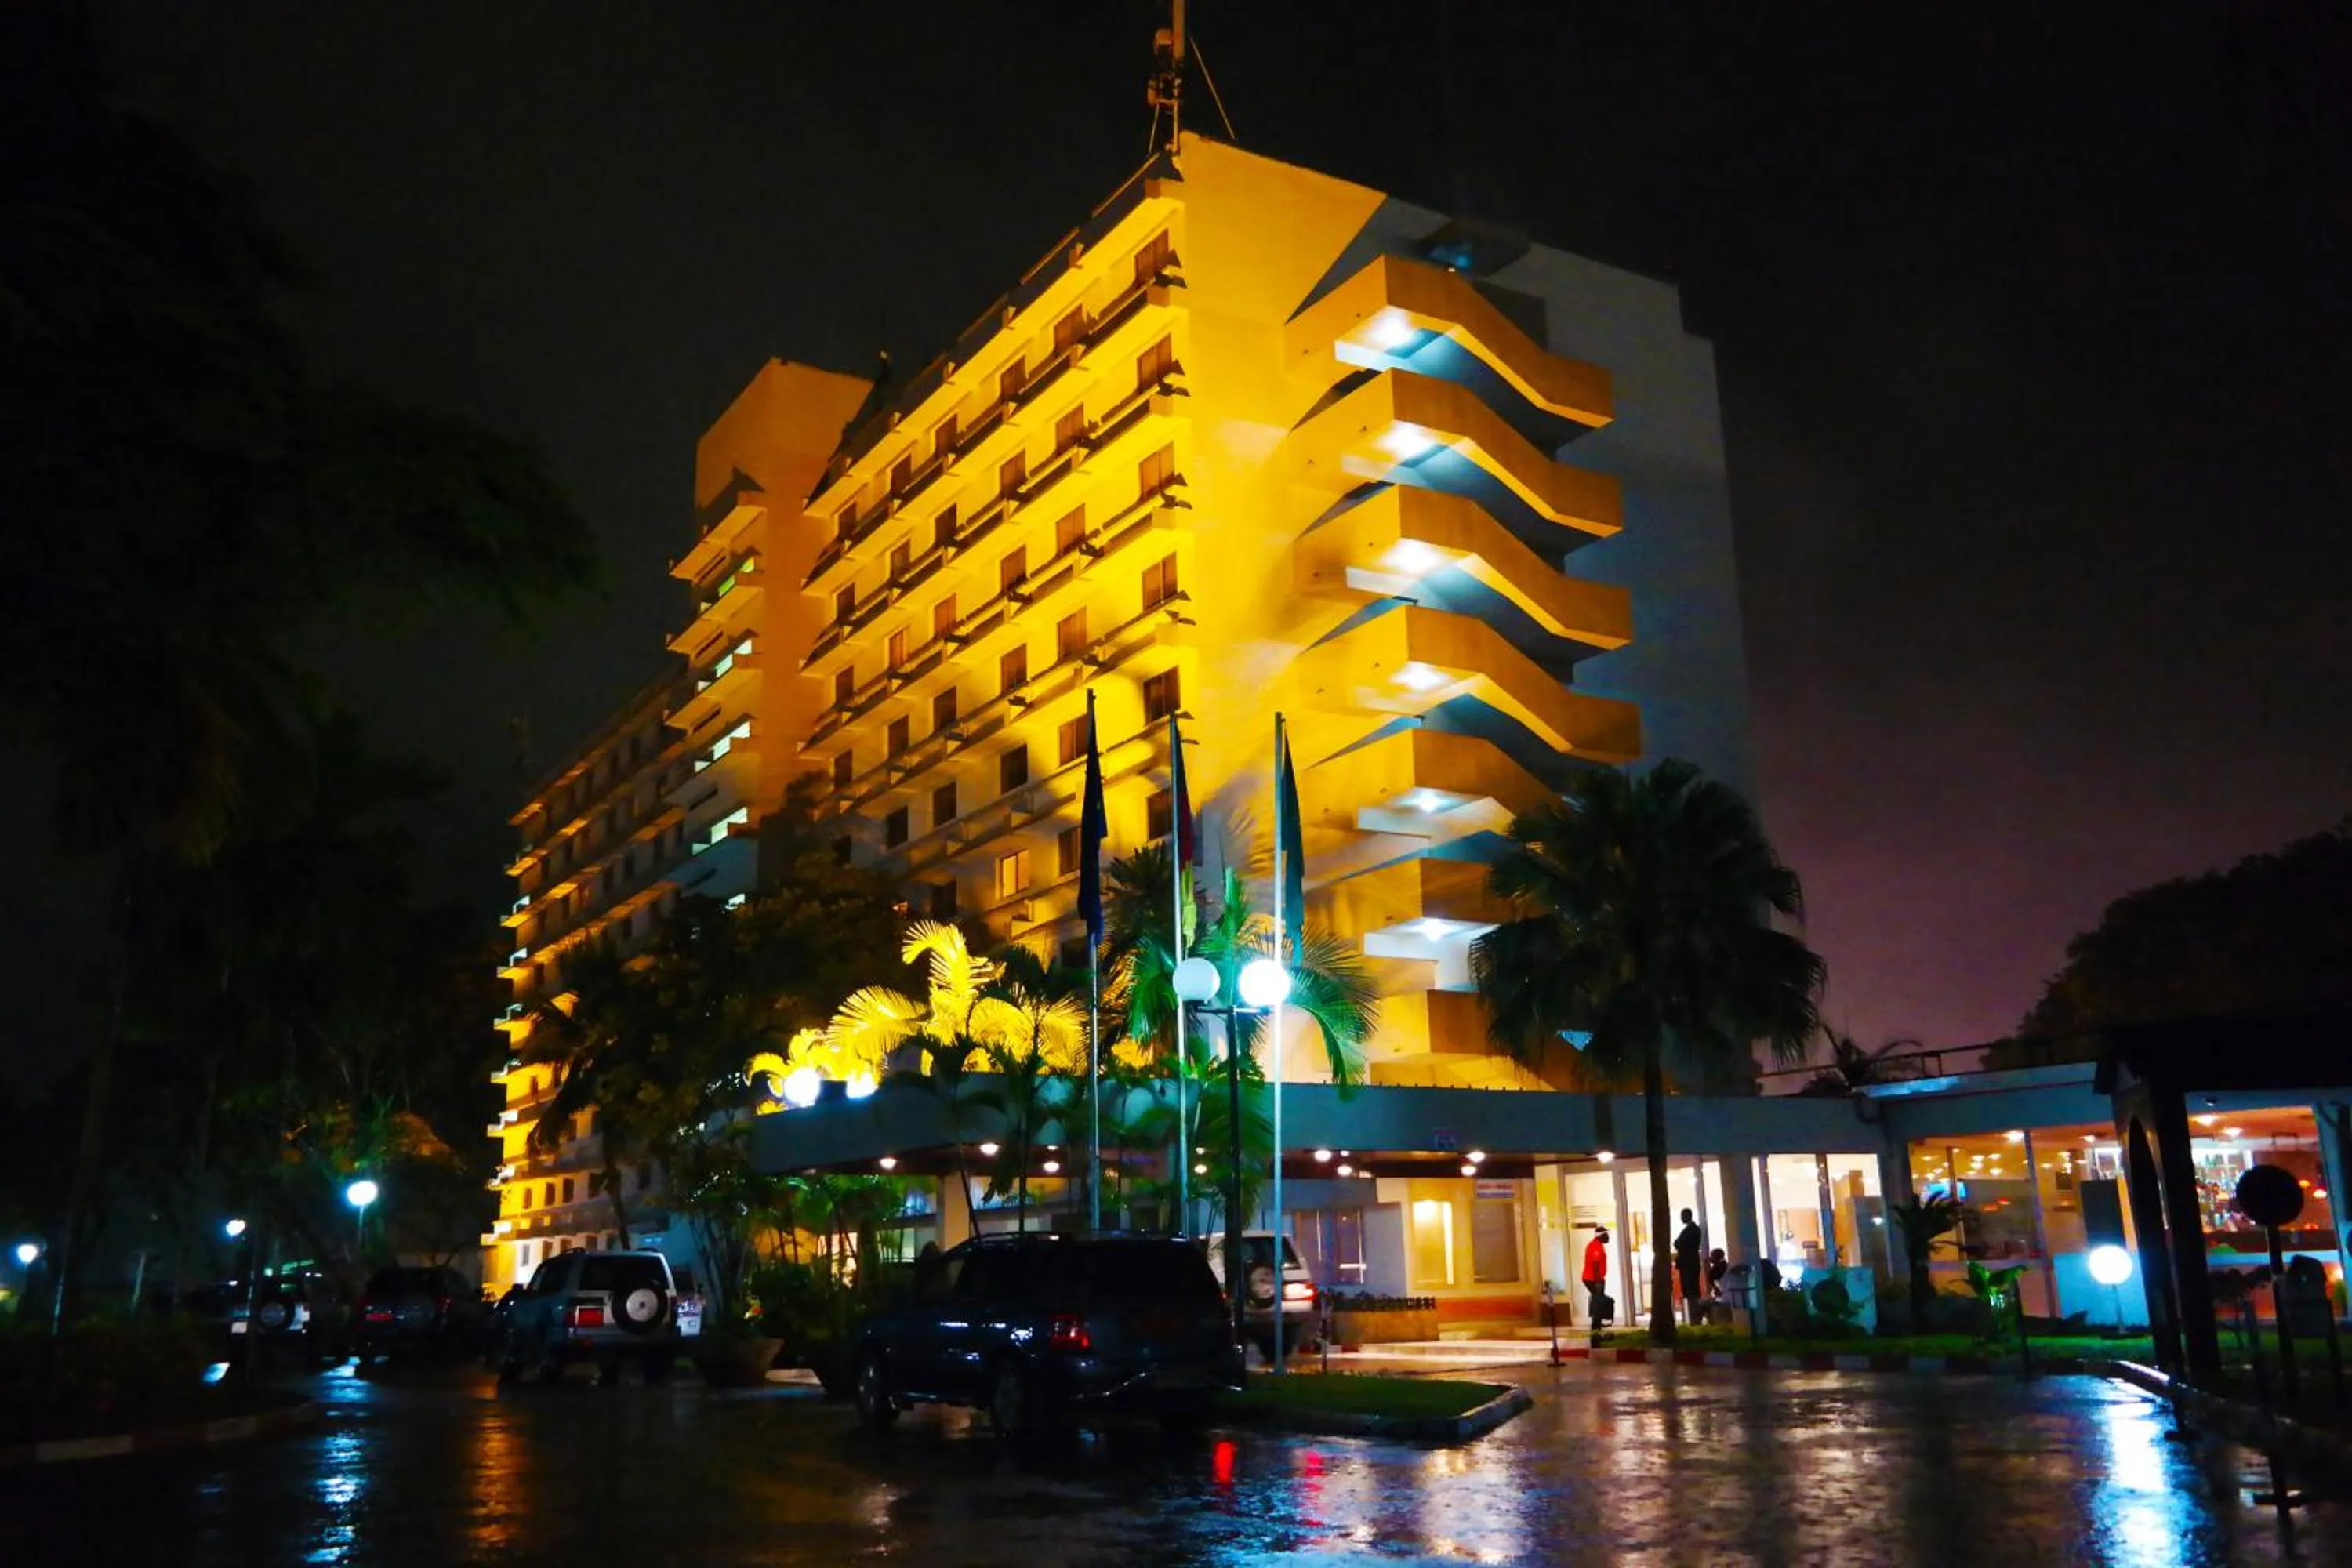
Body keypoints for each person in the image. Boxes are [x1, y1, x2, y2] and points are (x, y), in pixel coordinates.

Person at [1674, 1208, 1704, 1324]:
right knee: (1688, 1289)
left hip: (1689, 1265)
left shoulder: (1692, 1230)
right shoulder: (1690, 1230)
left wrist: (1678, 1244)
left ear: (1688, 1216)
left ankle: (1694, 1317)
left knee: (1691, 1288)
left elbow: (1681, 1244)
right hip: (1687, 1264)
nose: (1682, 1218)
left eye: (1683, 1216)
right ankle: (1692, 1316)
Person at [1581, 1226, 1611, 1327]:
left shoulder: (1598, 1245)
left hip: (1595, 1278)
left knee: (1598, 1302)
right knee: (1598, 1302)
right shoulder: (1595, 1246)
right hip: (1593, 1279)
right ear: (1600, 1236)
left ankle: (1597, 1324)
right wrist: (1598, 1282)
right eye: (1606, 1235)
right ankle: (1596, 1328)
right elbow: (1595, 1265)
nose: (1608, 1237)